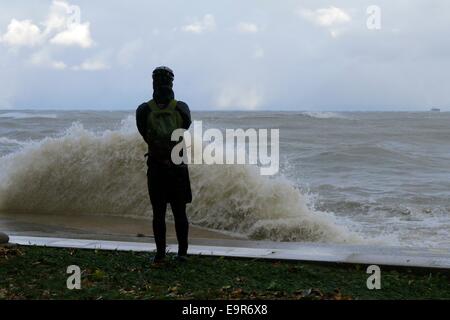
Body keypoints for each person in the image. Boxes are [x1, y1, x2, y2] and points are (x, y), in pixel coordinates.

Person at [136, 66, 192, 263]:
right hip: (177, 166)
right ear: (172, 84)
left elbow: (145, 135)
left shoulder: (144, 110)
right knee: (179, 212)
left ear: (153, 84)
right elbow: (185, 128)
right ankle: (182, 254)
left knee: (158, 212)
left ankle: (160, 254)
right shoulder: (182, 108)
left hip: (157, 166)